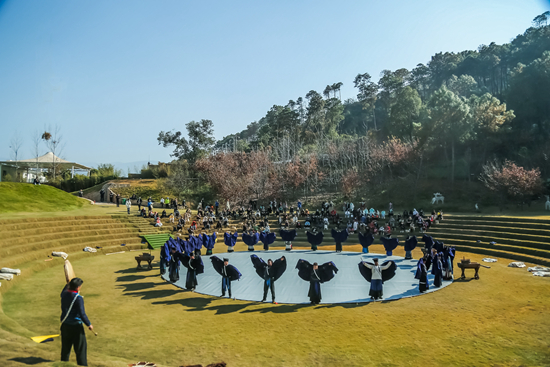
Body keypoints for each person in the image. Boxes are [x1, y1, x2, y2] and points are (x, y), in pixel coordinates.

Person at [60, 277, 93, 366]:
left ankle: (63, 364)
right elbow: (82, 314)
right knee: (80, 349)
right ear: (78, 287)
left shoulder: (64, 294)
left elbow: (65, 289)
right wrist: (89, 324)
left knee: (65, 348)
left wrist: (68, 282)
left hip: (65, 325)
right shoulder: (78, 298)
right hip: (76, 327)